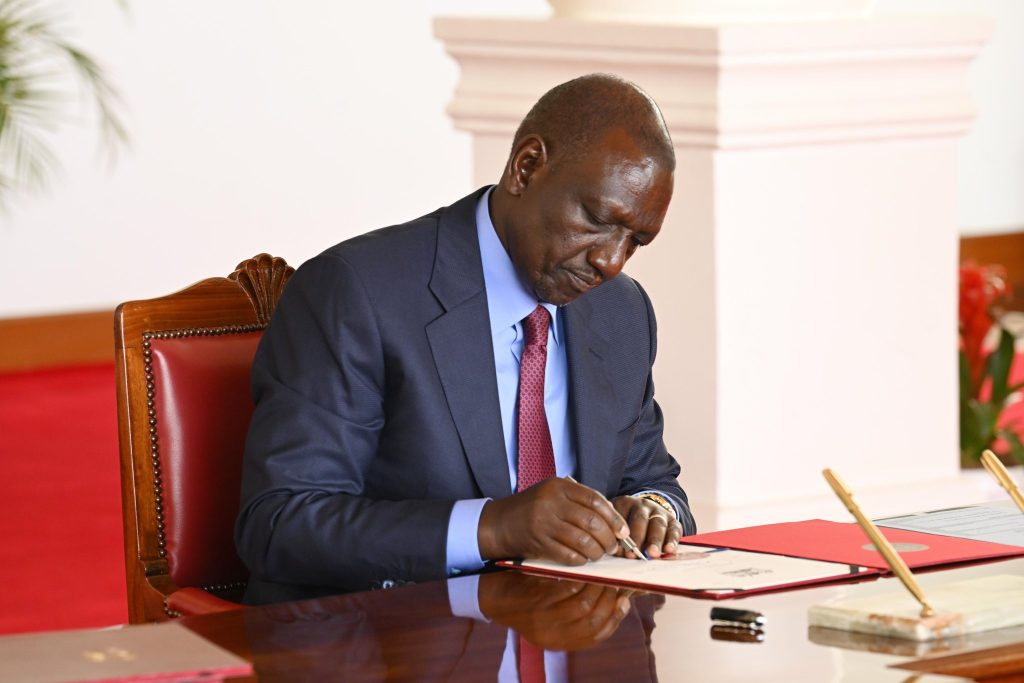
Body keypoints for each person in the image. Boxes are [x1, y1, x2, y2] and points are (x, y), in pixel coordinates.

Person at [235, 73, 696, 603]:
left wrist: (654, 510)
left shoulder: (622, 312)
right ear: (526, 168)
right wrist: (493, 527)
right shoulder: (359, 291)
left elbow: (657, 482)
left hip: (570, 639)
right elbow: (280, 523)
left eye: (636, 240)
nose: (611, 262)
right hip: (386, 643)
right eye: (596, 220)